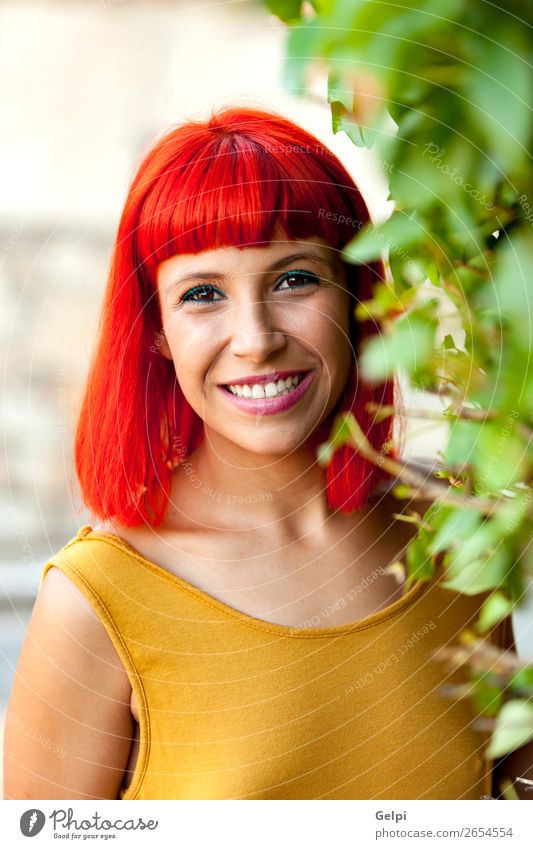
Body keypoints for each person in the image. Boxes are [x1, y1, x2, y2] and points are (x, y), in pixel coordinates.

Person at [3, 105, 516, 801]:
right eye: (203, 294)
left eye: (294, 279)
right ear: (156, 330)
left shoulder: (452, 535)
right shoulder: (95, 601)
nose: (254, 338)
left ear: (357, 295)